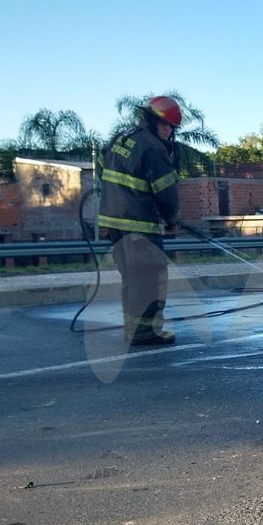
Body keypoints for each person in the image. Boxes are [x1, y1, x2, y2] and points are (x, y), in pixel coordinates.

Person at [97, 95, 182, 346]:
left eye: (172, 128)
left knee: (132, 279)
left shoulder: (122, 139)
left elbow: (103, 170)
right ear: (154, 121)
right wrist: (172, 220)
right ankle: (145, 332)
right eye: (167, 126)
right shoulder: (153, 148)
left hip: (113, 222)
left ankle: (133, 329)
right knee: (151, 278)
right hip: (139, 224)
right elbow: (166, 191)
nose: (169, 132)